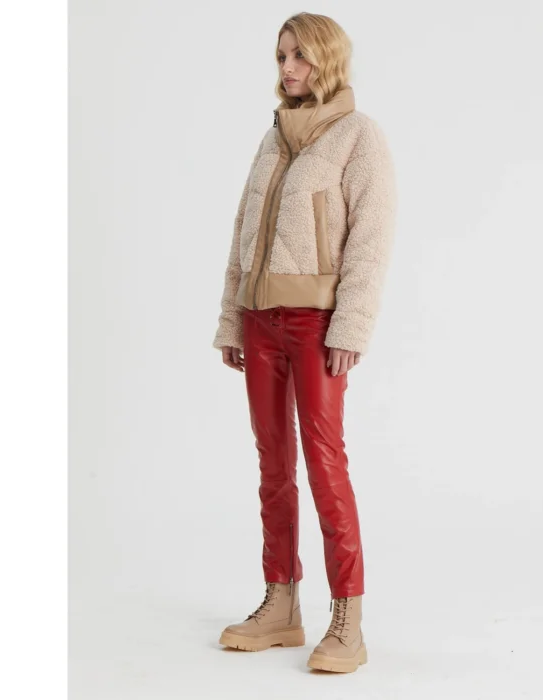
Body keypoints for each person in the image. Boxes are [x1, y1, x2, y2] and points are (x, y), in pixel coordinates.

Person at [212, 11, 397, 674]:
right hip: (260, 320)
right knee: (273, 465)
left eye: (299, 56)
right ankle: (281, 604)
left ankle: (347, 618)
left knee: (324, 463)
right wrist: (233, 318)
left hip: (316, 324)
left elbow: (371, 239)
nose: (287, 68)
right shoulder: (273, 138)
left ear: (328, 59)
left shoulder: (358, 136)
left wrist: (351, 325)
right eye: (281, 56)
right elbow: (244, 230)